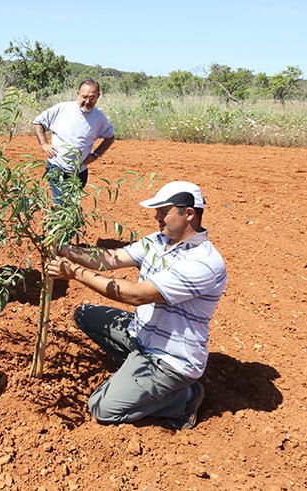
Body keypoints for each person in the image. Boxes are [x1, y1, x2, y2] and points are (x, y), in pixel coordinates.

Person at [44, 181, 227, 429]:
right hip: (141, 335)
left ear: (189, 214)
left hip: (170, 359)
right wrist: (64, 249)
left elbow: (137, 295)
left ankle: (184, 400)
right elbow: (109, 259)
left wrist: (74, 272)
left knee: (102, 408)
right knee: (85, 314)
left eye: (164, 210)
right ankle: (136, 376)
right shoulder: (157, 241)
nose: (157, 216)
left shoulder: (203, 263)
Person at [32, 79, 115, 206]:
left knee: (72, 207)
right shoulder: (62, 109)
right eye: (84, 97)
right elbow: (38, 122)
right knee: (60, 205)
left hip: (79, 172)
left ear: (98, 97)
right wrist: (44, 143)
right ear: (77, 94)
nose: (87, 101)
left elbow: (110, 137)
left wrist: (96, 154)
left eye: (92, 98)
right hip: (57, 167)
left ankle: (62, 225)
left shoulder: (99, 118)